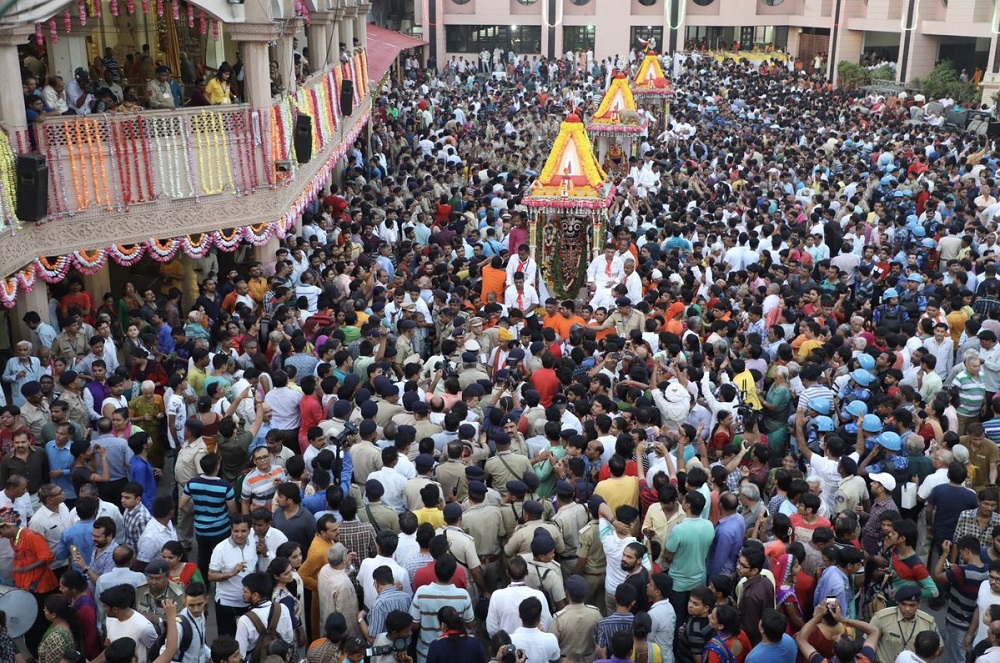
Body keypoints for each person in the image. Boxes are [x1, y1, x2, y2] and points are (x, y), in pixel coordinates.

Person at [234, 572, 294, 660]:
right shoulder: (282, 608)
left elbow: (241, 654)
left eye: (245, 591)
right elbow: (289, 638)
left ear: (255, 595)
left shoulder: (245, 620)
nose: (243, 594)